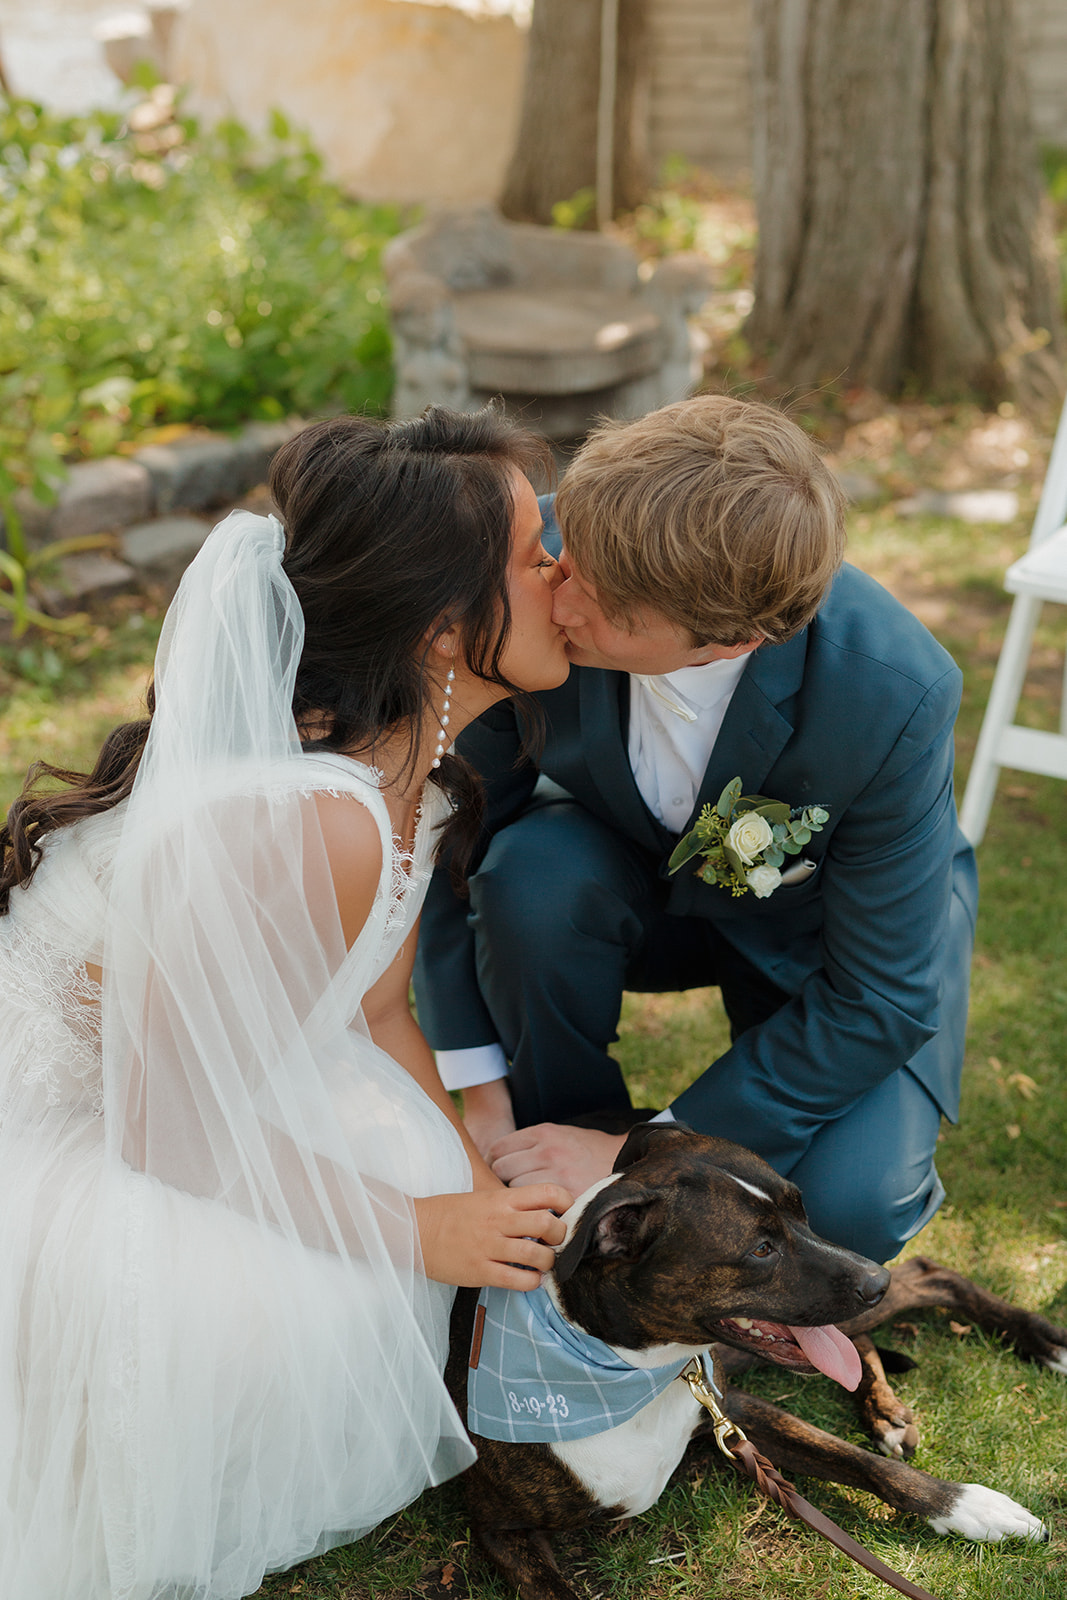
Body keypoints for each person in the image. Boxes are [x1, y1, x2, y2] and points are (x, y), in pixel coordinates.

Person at [0, 407, 574, 1600]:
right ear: (443, 626)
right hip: (80, 1117)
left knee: (403, 1193)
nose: (561, 570)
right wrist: (414, 1228)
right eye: (535, 552)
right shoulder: (324, 819)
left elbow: (375, 1015)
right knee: (278, 1315)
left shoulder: (423, 785)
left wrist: (473, 1187)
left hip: (208, 1076)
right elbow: (158, 1122)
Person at [413, 394, 978, 1266]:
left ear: (729, 641)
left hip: (822, 941)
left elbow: (881, 995)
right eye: (563, 561)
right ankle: (561, 1133)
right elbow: (455, 825)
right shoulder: (553, 555)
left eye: (594, 600)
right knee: (530, 873)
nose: (553, 597)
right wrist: (481, 1097)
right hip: (622, 879)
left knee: (847, 1215)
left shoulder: (892, 696)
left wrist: (657, 1151)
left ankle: (627, 1157)